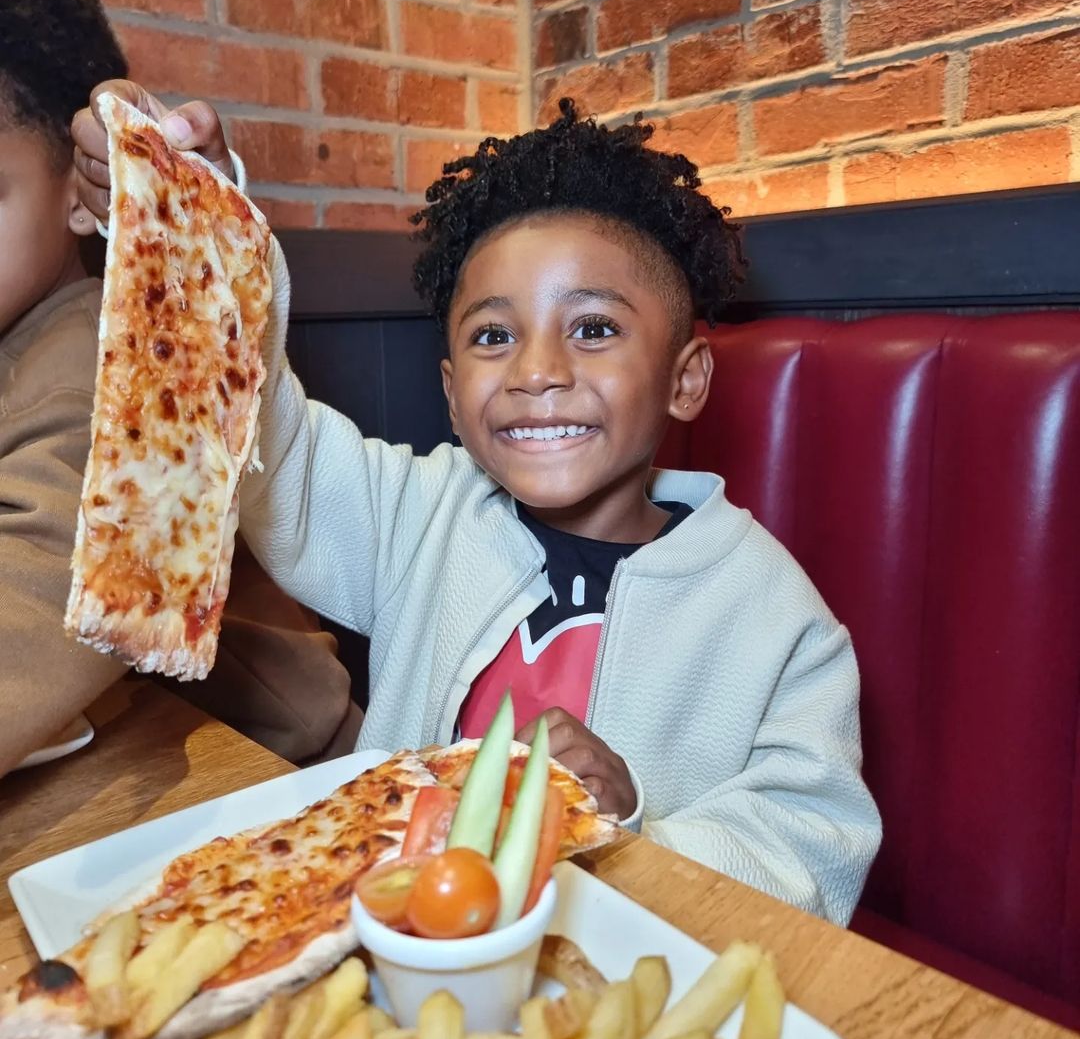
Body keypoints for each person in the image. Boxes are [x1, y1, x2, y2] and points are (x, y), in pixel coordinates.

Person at [73, 84, 882, 923]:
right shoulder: (423, 512)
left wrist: (633, 828)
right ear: (455, 397)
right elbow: (268, 443)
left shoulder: (775, 616)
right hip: (397, 942)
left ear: (684, 380)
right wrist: (202, 219)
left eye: (594, 328)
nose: (537, 370)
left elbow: (813, 840)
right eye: (495, 335)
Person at [0, 0, 359, 778]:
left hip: (285, 760)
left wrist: (179, 186)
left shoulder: (102, 365)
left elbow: (36, 608)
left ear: (80, 194)